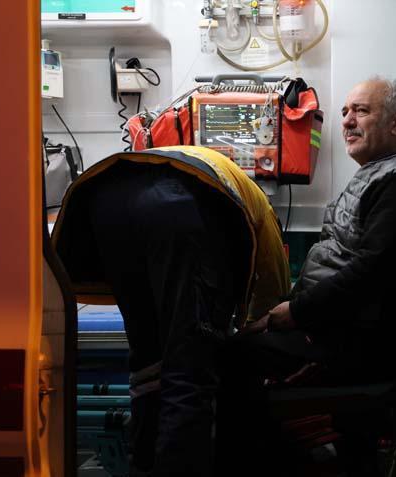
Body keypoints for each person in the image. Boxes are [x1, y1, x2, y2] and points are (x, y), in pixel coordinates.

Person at [217, 77, 396, 475]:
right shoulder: (377, 174)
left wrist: (295, 312)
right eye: (345, 112)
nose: (347, 121)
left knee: (225, 361)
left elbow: (371, 272)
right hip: (327, 327)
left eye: (361, 111)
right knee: (233, 349)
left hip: (346, 344)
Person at [51, 146, 291, 476]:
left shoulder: (219, 180)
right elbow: (272, 302)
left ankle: (143, 465)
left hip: (105, 198)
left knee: (148, 363)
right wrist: (239, 331)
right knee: (189, 371)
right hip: (175, 204)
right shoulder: (261, 214)